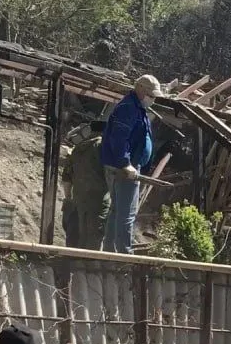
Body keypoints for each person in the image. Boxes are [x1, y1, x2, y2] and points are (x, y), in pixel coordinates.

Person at [101, 74, 160, 255]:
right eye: (151, 95)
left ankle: (110, 250)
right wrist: (126, 163)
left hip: (129, 166)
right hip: (125, 168)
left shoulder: (137, 108)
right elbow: (119, 138)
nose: (153, 99)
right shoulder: (128, 108)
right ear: (140, 90)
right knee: (127, 214)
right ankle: (124, 254)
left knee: (117, 210)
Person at [62, 118, 109, 250]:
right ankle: (89, 262)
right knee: (94, 237)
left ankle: (74, 261)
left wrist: (68, 199)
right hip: (98, 201)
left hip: (78, 201)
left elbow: (66, 178)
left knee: (77, 236)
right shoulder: (104, 147)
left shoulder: (78, 149)